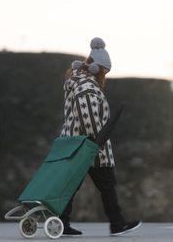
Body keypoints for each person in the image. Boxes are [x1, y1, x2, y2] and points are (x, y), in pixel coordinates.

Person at [59, 37, 141, 236]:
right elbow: (88, 117)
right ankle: (117, 223)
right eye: (105, 72)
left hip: (75, 143)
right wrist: (98, 144)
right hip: (90, 147)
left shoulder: (76, 82)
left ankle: (62, 223)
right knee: (107, 185)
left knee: (71, 186)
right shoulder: (88, 88)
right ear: (98, 69)